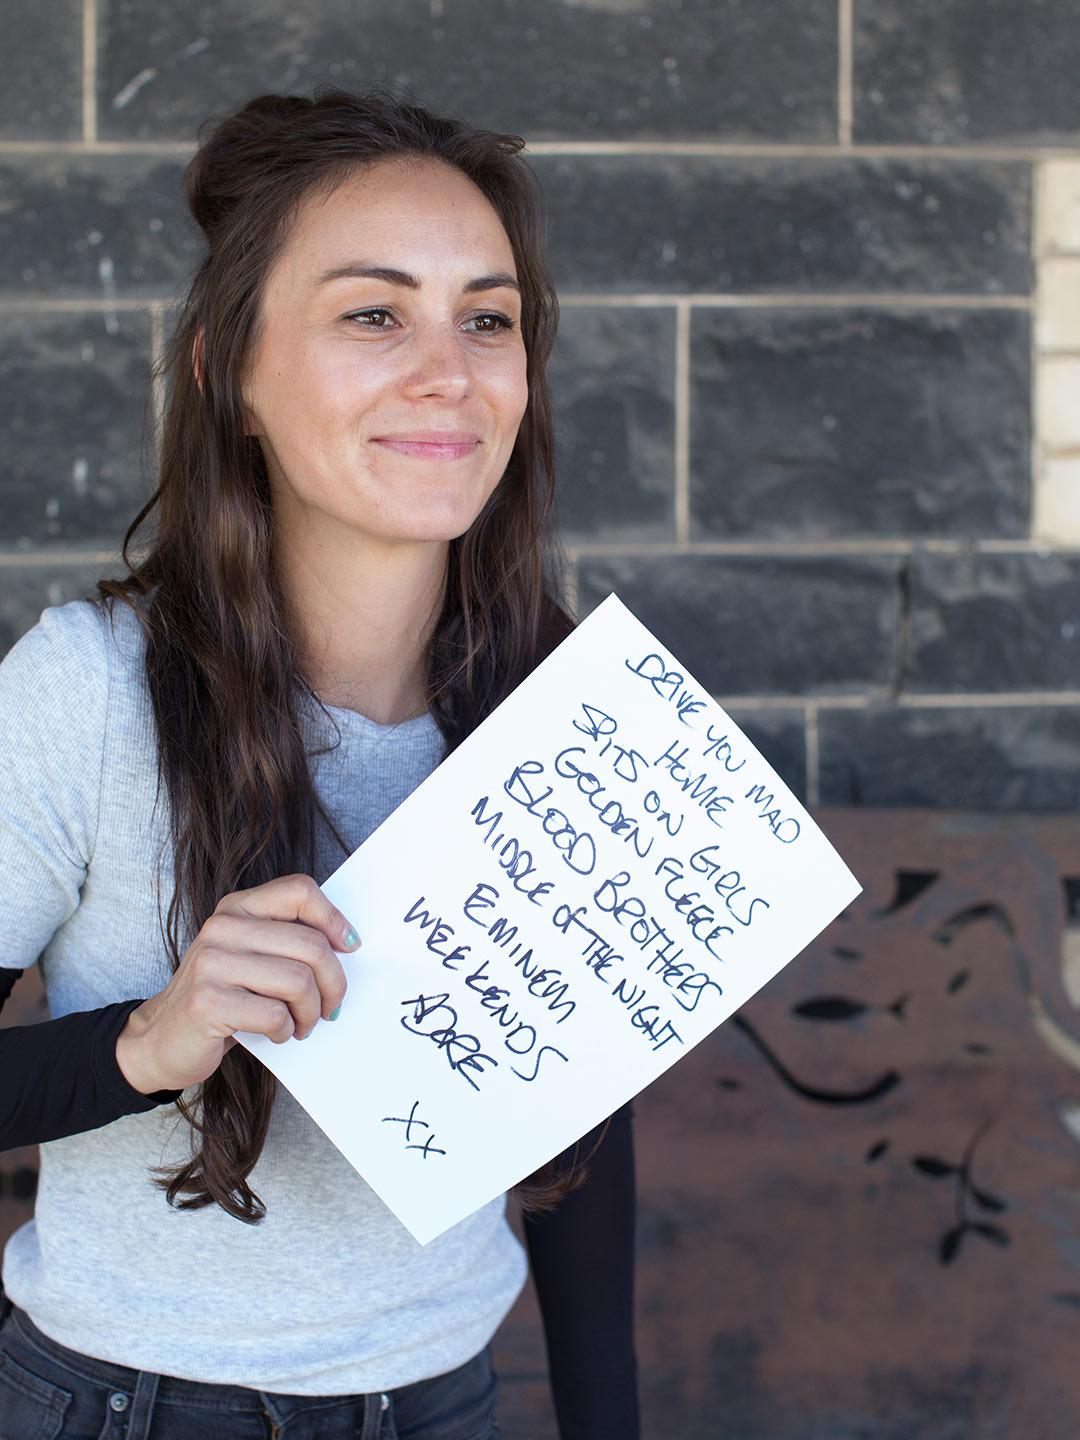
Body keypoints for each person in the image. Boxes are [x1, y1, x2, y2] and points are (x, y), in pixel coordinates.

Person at [0, 86, 639, 1439]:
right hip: (130, 1409)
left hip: (446, 1400)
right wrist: (146, 1043)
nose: (448, 371)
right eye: (372, 313)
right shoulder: (85, 691)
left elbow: (587, 1125)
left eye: (489, 317)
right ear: (232, 367)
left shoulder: (560, 700)